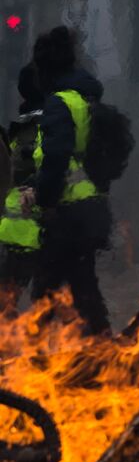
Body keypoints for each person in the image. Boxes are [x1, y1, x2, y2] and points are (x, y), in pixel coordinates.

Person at [17, 27, 112, 335]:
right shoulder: (85, 99)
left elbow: (57, 159)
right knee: (83, 288)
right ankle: (103, 352)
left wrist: (41, 197)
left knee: (46, 290)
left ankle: (38, 362)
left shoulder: (60, 103)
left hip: (69, 213)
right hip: (91, 208)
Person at [0, 64, 46, 315]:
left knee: (7, 304)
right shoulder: (47, 128)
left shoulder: (20, 130)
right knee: (47, 308)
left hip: (15, 232)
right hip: (38, 232)